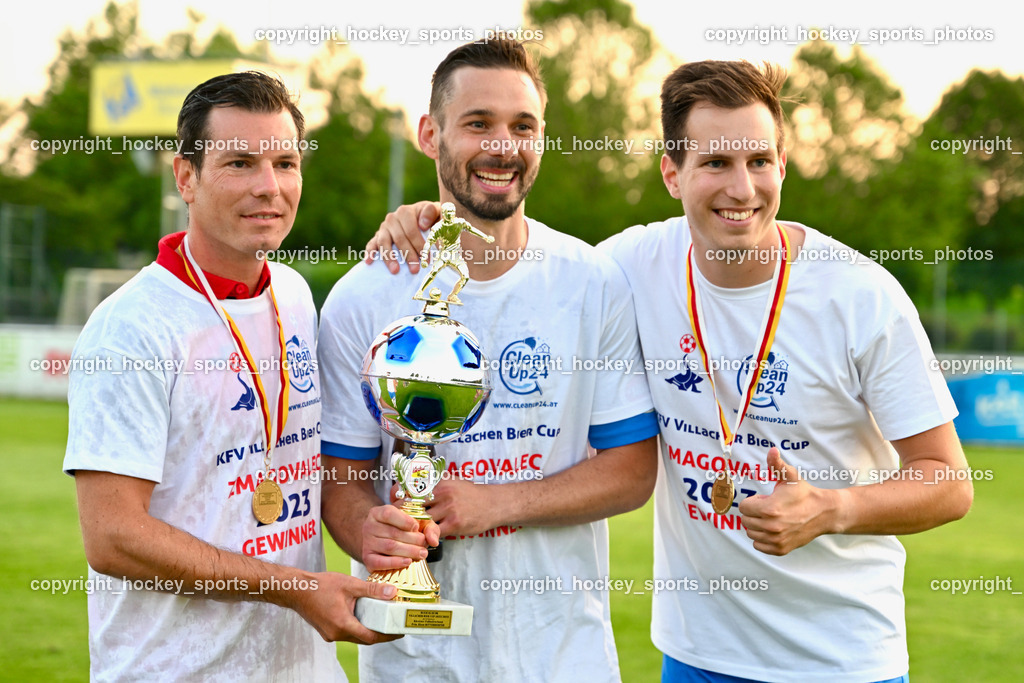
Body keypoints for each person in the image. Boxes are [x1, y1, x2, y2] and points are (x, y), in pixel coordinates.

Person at [368, 60, 974, 682]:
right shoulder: (630, 265)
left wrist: (832, 508)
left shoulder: (860, 295)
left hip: (844, 661)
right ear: (672, 174)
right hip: (695, 658)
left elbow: (950, 481)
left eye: (759, 161)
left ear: (782, 167)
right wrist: (429, 220)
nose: (742, 188)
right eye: (715, 163)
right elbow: (520, 257)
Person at [317, 39, 658, 683]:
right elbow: (341, 476)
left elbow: (633, 472)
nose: (503, 146)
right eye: (478, 124)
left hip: (563, 656)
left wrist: (498, 502)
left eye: (522, 127)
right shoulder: (365, 294)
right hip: (412, 661)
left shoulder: (593, 283)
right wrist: (370, 531)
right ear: (430, 134)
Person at [63, 71, 396, 682]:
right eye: (240, 163)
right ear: (185, 177)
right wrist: (296, 588)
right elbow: (113, 536)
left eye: (286, 163)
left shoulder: (293, 294)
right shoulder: (133, 328)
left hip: (303, 669)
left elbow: (302, 465)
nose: (269, 188)